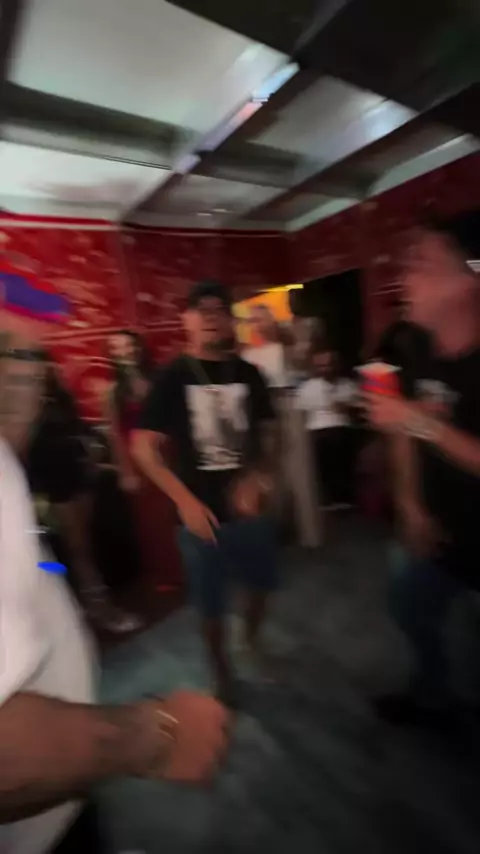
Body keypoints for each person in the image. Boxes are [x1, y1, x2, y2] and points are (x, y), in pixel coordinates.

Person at [0, 304, 229, 853]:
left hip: (62, 799)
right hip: (36, 822)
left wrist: (22, 356)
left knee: (52, 564)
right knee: (74, 557)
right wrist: (154, 736)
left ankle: (84, 597)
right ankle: (97, 601)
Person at [133, 281, 279, 707]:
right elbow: (143, 448)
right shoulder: (172, 377)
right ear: (187, 320)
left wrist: (259, 476)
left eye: (220, 309)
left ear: (232, 321)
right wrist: (185, 501)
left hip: (253, 512)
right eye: (202, 309)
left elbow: (271, 436)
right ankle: (220, 669)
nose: (212, 316)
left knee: (260, 587)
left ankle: (249, 640)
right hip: (199, 518)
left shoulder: (250, 374)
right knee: (210, 604)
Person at [366, 215, 480, 726]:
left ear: (470, 279)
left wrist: (416, 420)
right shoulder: (420, 351)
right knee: (408, 607)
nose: (403, 278)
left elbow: (412, 422)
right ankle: (431, 691)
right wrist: (410, 506)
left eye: (421, 264)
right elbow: (404, 433)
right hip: (431, 532)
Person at [25, 358, 139, 634]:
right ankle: (96, 608)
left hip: (76, 476)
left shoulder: (58, 396)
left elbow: (77, 428)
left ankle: (89, 605)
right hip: (52, 485)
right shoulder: (21, 403)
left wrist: (93, 449)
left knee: (81, 548)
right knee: (73, 551)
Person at [105, 330, 182, 590]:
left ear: (138, 348)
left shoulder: (158, 378)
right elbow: (115, 434)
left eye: (128, 345)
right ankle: (166, 574)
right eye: (116, 348)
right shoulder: (113, 392)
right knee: (151, 520)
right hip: (138, 458)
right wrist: (125, 471)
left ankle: (191, 567)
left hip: (167, 451)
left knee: (177, 509)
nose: (124, 351)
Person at [296, 345, 357, 509]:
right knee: (323, 463)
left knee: (343, 458)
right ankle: (327, 499)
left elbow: (357, 410)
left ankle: (344, 498)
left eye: (328, 364)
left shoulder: (347, 385)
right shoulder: (307, 388)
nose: (325, 369)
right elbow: (301, 413)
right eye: (320, 365)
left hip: (343, 429)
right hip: (318, 430)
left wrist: (346, 407)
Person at [243, 304, 290, 387]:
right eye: (251, 321)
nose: (256, 325)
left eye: (259, 320)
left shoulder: (288, 349)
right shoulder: (248, 355)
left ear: (271, 320)